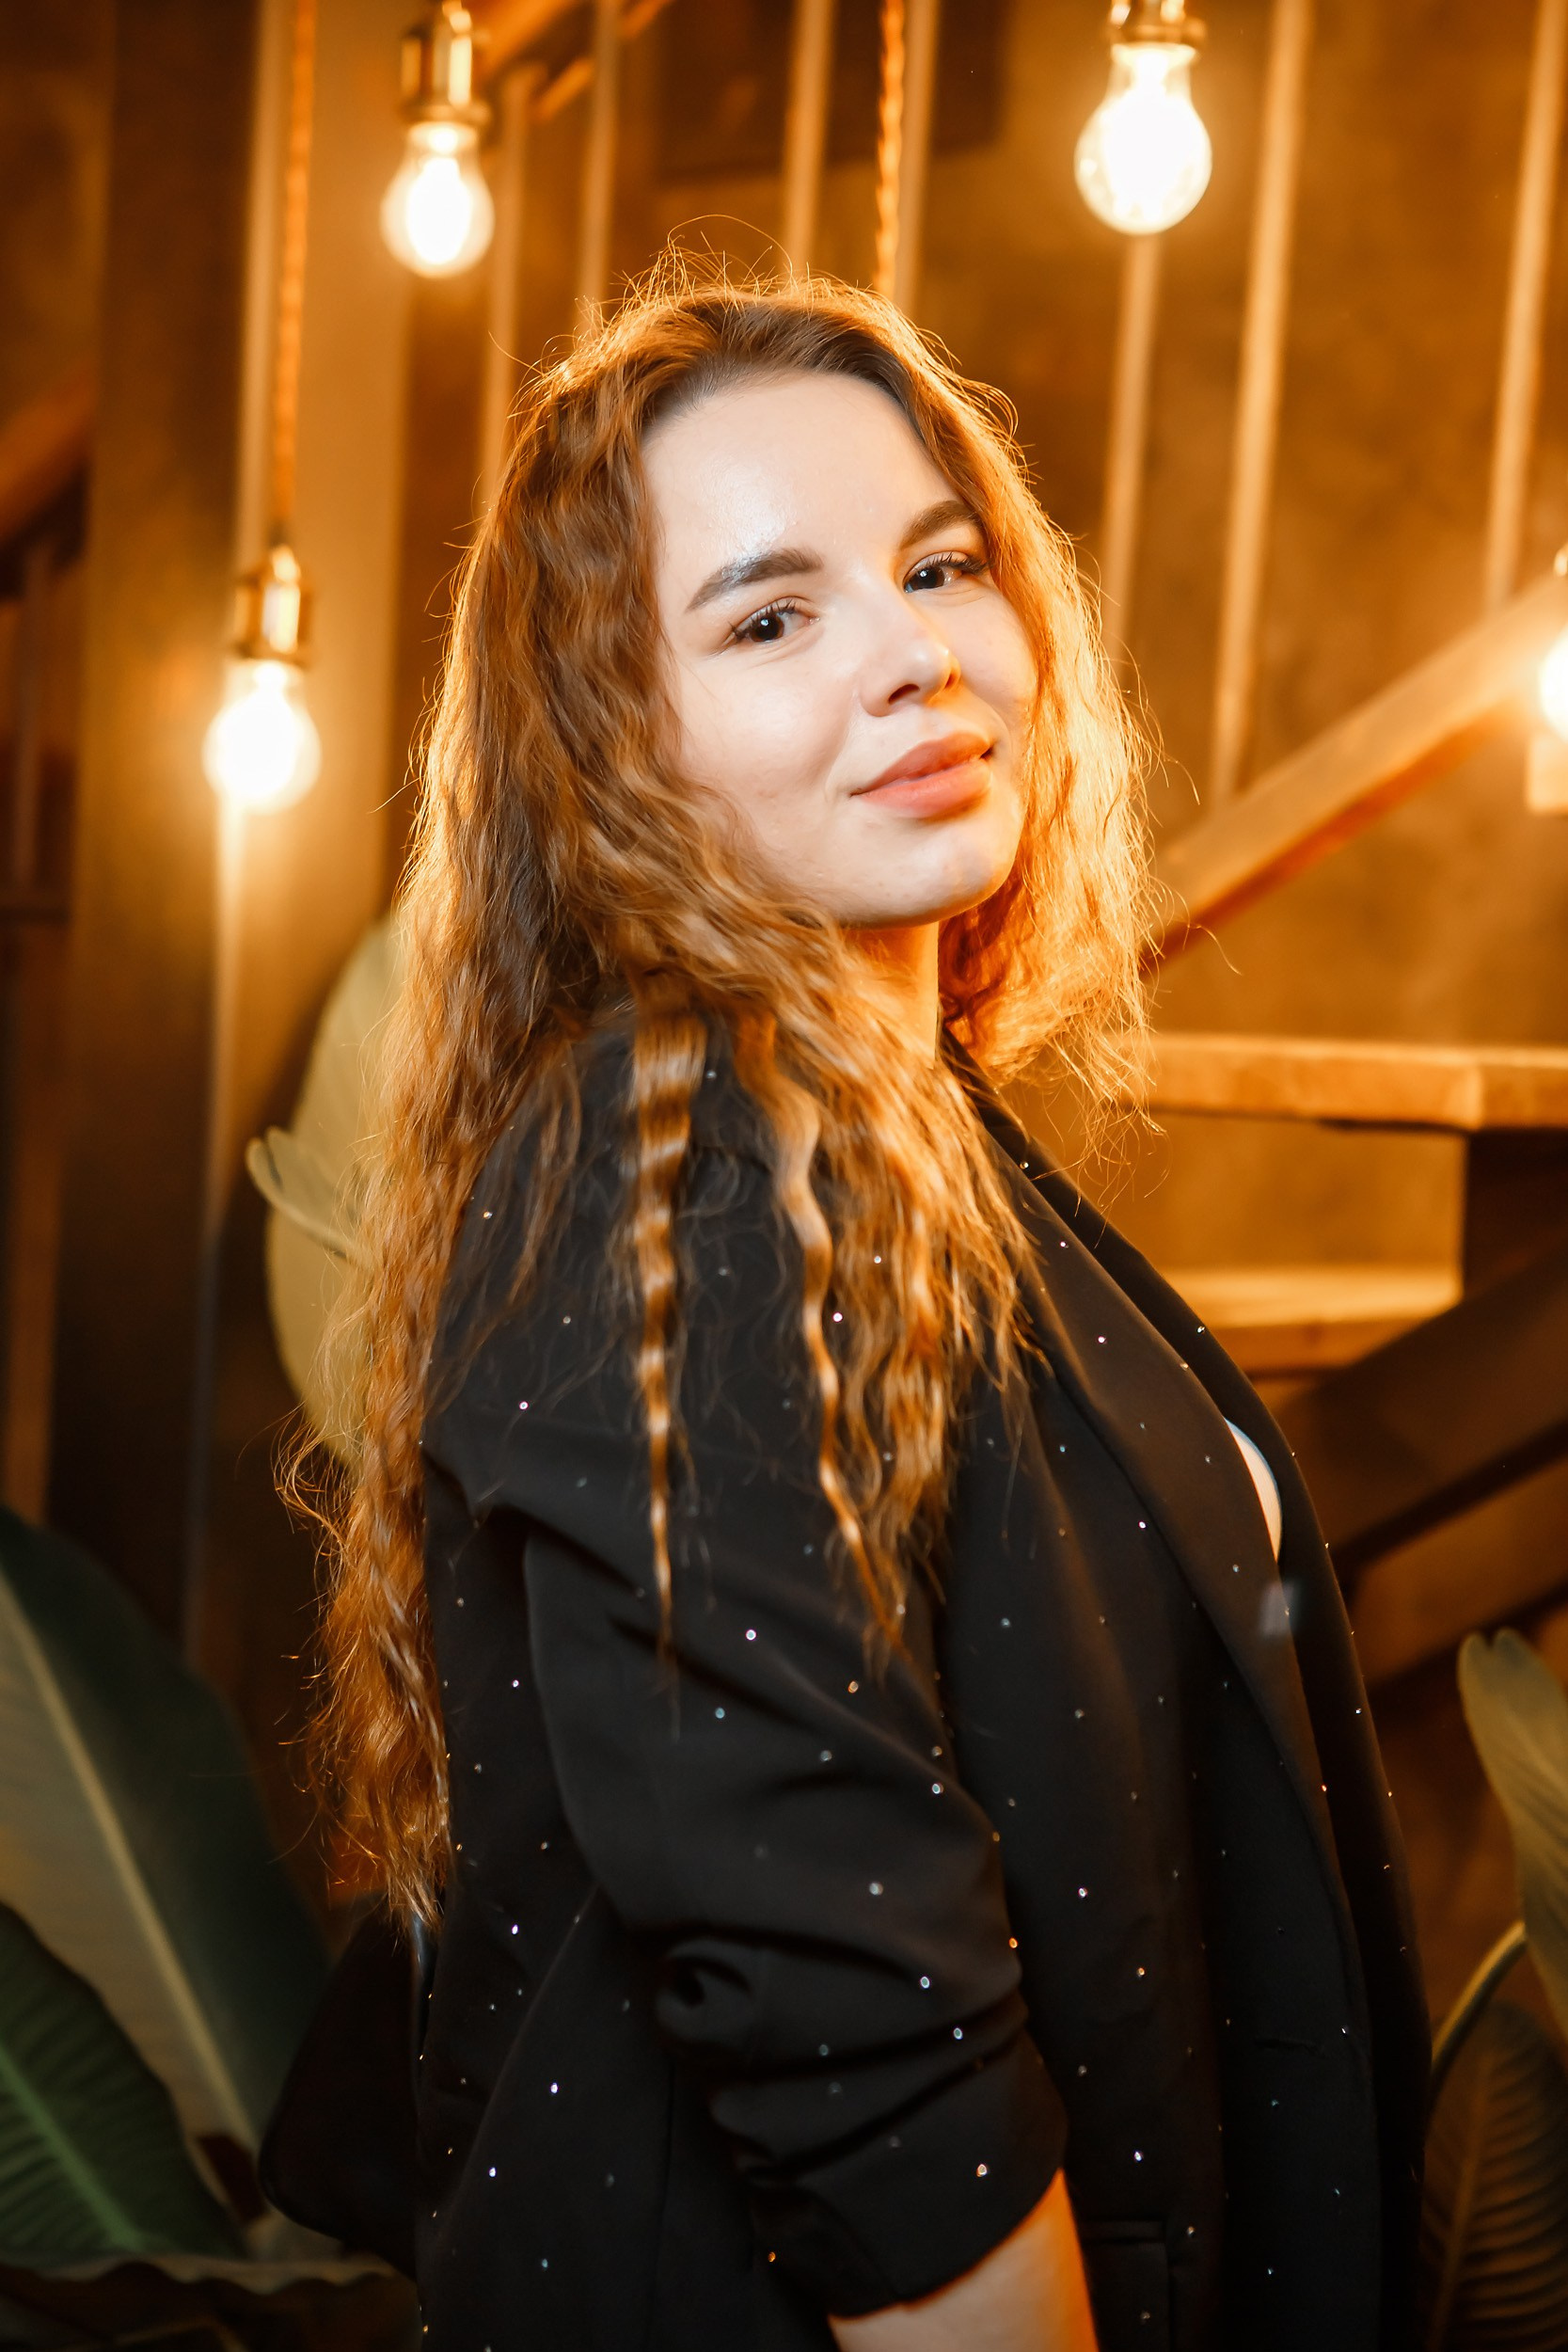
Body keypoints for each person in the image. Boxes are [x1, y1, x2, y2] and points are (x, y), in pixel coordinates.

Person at [309, 271, 1428, 2351]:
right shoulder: (683, 1167)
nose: (914, 652)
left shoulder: (908, 1127)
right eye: (769, 618)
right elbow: (863, 2051)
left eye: (937, 565)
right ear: (616, 751)